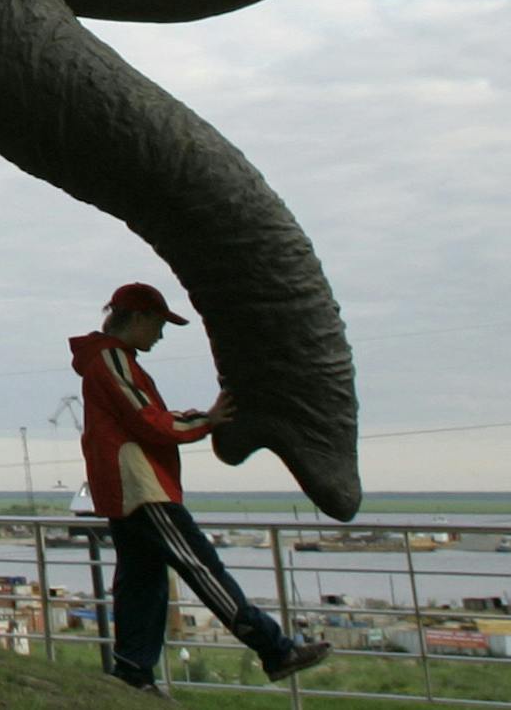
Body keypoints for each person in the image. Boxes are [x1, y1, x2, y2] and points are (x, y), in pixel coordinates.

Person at [72, 283, 333, 693]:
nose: (160, 335)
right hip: (142, 488)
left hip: (125, 491)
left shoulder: (107, 360)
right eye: (158, 325)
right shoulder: (112, 359)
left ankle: (133, 672)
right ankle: (275, 650)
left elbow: (142, 416)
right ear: (137, 318)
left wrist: (197, 419)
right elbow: (148, 420)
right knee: (202, 568)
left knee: (141, 582)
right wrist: (206, 421)